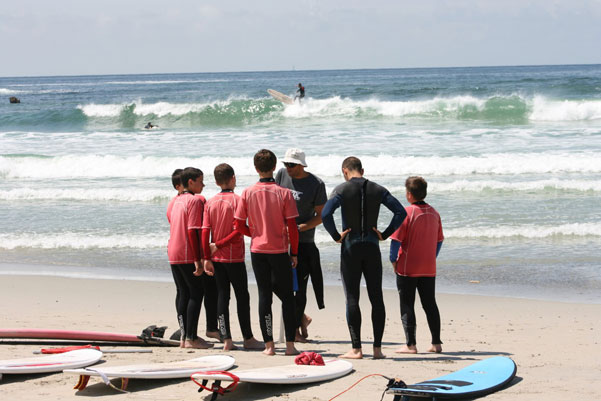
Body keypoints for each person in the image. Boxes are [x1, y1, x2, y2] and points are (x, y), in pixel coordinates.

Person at [321, 156, 406, 359]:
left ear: (345, 171)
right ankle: (377, 349)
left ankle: (356, 349)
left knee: (352, 297)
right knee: (376, 297)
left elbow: (325, 214)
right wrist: (384, 234)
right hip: (371, 248)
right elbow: (400, 212)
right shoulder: (377, 189)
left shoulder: (342, 190)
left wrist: (336, 236)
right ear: (362, 169)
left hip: (350, 248)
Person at [234, 149, 300, 356]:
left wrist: (254, 234)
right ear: (274, 167)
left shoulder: (247, 192)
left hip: (258, 249)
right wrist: (294, 253)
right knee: (288, 297)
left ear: (256, 168)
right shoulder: (284, 193)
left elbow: (238, 225)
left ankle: (269, 345)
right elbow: (292, 228)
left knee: (264, 295)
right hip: (279, 250)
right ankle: (290, 345)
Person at [201, 163, 264, 351]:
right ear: (233, 178)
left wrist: (206, 256)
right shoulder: (238, 201)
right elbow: (239, 231)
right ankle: (248, 338)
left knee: (222, 296)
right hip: (234, 258)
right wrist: (219, 245)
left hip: (216, 259)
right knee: (242, 297)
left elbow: (205, 232)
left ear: (216, 181)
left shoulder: (209, 202)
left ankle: (227, 339)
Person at [275, 148, 326, 342]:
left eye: (291, 165)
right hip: (279, 242)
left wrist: (300, 228)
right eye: (286, 164)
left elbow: (321, 216)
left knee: (299, 289)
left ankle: (295, 330)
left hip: (303, 243)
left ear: (301, 165)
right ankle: (302, 318)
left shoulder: (316, 184)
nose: (287, 168)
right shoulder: (281, 175)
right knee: (274, 283)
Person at [389, 176, 444, 354]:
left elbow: (396, 242)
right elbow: (439, 241)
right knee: (430, 304)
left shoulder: (407, 213)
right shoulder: (435, 213)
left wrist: (393, 261)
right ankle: (436, 343)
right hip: (429, 267)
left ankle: (410, 344)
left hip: (408, 268)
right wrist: (431, 257)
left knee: (407, 304)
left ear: (409, 195)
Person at [166, 167, 213, 349]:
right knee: (196, 293)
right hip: (187, 253)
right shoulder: (194, 201)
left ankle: (185, 336)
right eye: (201, 181)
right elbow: (193, 231)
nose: (203, 184)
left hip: (173, 251)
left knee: (182, 292)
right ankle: (192, 337)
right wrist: (198, 259)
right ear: (191, 182)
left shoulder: (174, 201)